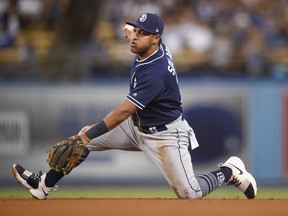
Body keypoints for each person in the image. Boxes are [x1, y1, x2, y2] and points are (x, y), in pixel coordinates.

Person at [12, 13, 257, 200]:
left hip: (166, 135)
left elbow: (124, 111)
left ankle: (230, 171)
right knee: (81, 142)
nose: (135, 36)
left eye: (142, 33)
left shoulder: (155, 72)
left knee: (189, 193)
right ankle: (43, 185)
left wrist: (88, 136)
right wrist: (130, 29)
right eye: (135, 31)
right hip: (137, 127)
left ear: (156, 39)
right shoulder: (150, 46)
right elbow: (132, 31)